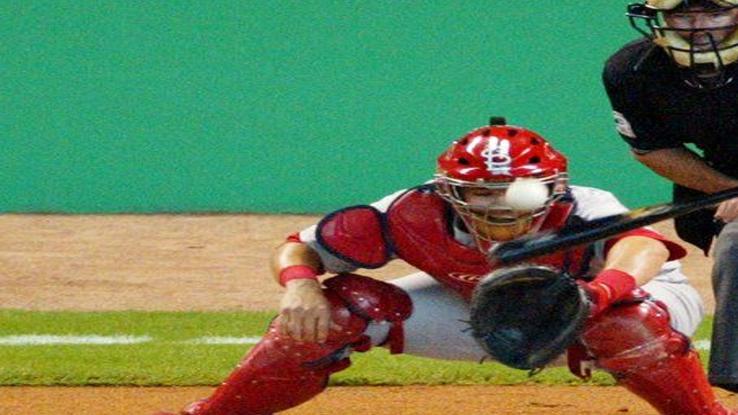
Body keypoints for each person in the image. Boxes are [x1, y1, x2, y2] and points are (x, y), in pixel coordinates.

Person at [157, 119, 731, 415]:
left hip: (619, 310)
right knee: (340, 308)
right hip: (480, 310)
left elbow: (646, 250)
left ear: (551, 189)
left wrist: (597, 296)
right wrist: (301, 285)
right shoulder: (410, 212)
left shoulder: (586, 205)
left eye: (513, 193)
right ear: (448, 192)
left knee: (622, 324)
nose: (498, 206)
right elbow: (300, 245)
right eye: (480, 194)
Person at [604, 0, 738, 392]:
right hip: (726, 175)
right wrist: (726, 188)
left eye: (715, 13)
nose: (698, 27)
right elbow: (652, 148)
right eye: (683, 14)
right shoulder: (633, 71)